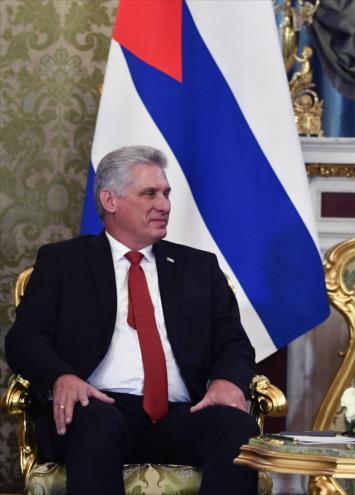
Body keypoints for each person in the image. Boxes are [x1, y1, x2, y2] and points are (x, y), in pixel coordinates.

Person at [6, 145, 259, 494]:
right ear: (110, 201)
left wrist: (227, 381)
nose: (165, 205)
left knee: (235, 428)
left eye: (167, 194)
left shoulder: (199, 267)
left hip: (181, 412)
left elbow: (234, 341)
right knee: (98, 421)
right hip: (98, 409)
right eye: (150, 194)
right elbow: (25, 339)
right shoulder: (64, 263)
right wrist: (62, 376)